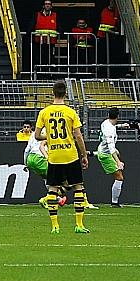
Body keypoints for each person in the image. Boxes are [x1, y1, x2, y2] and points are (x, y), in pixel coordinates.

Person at [35, 81, 90, 234]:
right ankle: (79, 225)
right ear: (65, 93)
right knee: (78, 187)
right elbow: (78, 136)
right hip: (70, 154)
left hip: (54, 156)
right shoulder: (70, 112)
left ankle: (55, 226)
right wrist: (84, 155)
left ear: (52, 93)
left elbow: (37, 135)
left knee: (53, 189)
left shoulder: (44, 112)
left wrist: (50, 137)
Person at [96, 108, 126, 207]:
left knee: (118, 154)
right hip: (105, 154)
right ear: (118, 116)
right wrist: (118, 162)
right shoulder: (110, 131)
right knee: (119, 177)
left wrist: (121, 125)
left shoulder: (105, 123)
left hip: (104, 150)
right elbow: (111, 147)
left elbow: (112, 126)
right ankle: (114, 202)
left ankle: (114, 202)